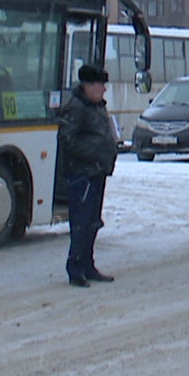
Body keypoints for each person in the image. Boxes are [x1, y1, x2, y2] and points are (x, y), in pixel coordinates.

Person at [56, 64, 119, 287]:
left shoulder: (95, 106)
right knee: (81, 222)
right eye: (101, 85)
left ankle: (87, 265)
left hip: (96, 171)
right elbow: (68, 140)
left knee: (92, 222)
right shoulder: (76, 108)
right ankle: (75, 268)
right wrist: (94, 154)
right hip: (82, 173)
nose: (104, 90)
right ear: (88, 86)